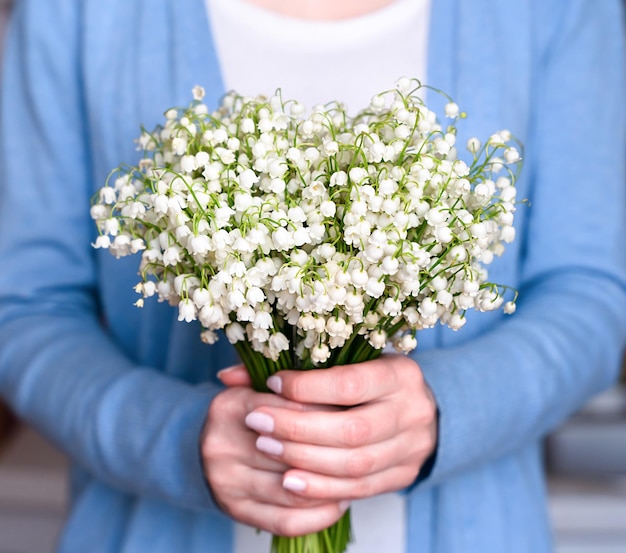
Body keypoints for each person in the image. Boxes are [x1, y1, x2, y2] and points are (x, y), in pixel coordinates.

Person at [0, 1, 624, 552]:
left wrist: (448, 409)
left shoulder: (553, 8)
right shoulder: (78, 10)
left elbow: (591, 293)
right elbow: (25, 308)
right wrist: (173, 440)